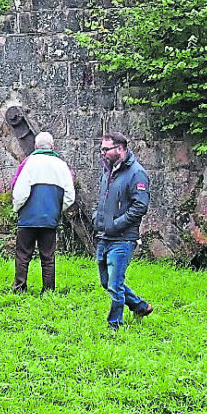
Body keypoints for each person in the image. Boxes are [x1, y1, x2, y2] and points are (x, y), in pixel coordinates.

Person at [93, 132, 153, 330]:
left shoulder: (137, 173)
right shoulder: (108, 171)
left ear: (120, 149)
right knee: (106, 281)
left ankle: (114, 325)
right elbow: (103, 199)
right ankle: (140, 306)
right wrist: (98, 217)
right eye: (102, 149)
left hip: (123, 238)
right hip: (104, 236)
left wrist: (117, 224)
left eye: (106, 149)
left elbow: (140, 207)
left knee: (115, 284)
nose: (102, 153)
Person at [10, 132, 75, 293]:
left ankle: (19, 287)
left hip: (28, 218)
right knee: (48, 257)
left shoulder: (29, 163)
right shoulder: (61, 165)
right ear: (52, 146)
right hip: (49, 219)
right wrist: (57, 210)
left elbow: (20, 192)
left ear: (35, 146)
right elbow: (70, 196)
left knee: (23, 255)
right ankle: (48, 290)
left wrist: (17, 209)